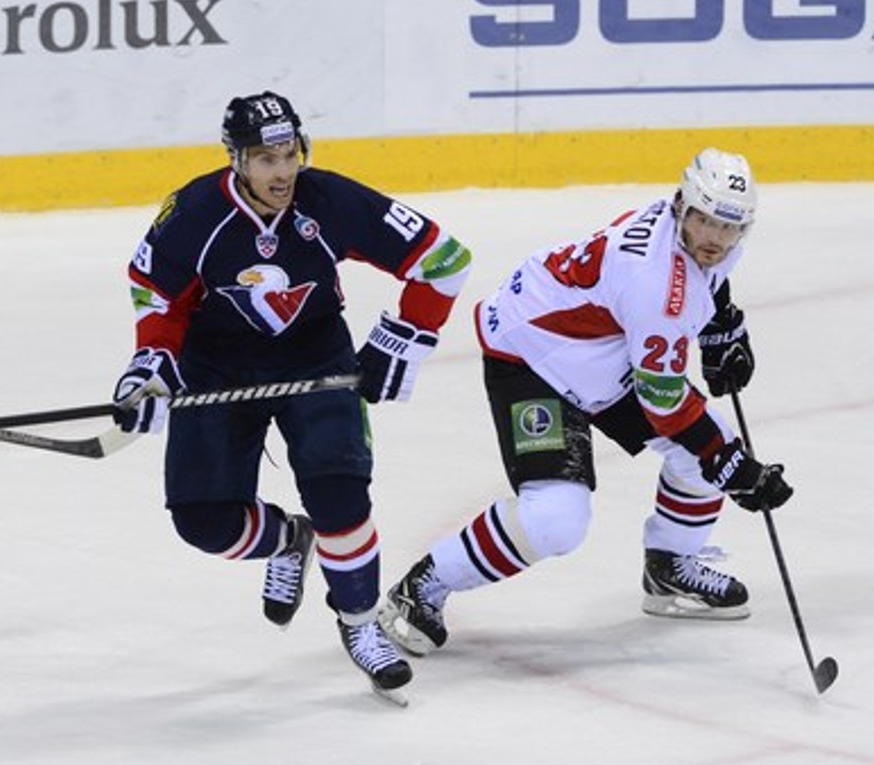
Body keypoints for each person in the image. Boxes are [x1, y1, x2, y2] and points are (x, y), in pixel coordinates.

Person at [110, 90, 472, 699]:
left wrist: (401, 340)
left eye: (289, 153)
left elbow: (444, 259)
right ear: (236, 160)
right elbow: (156, 292)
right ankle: (287, 540)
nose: (282, 172)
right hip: (218, 368)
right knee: (203, 522)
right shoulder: (195, 215)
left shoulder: (329, 200)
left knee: (340, 495)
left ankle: (359, 622)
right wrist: (152, 363)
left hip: (315, 357)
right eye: (265, 159)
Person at [380, 148, 794, 657]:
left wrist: (721, 328)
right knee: (557, 517)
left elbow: (706, 284)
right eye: (704, 220)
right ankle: (420, 587)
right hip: (532, 356)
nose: (714, 237)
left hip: (598, 352)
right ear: (681, 205)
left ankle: (668, 569)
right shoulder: (654, 282)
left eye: (728, 227)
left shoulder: (694, 238)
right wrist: (732, 470)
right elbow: (663, 399)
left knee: (711, 447)